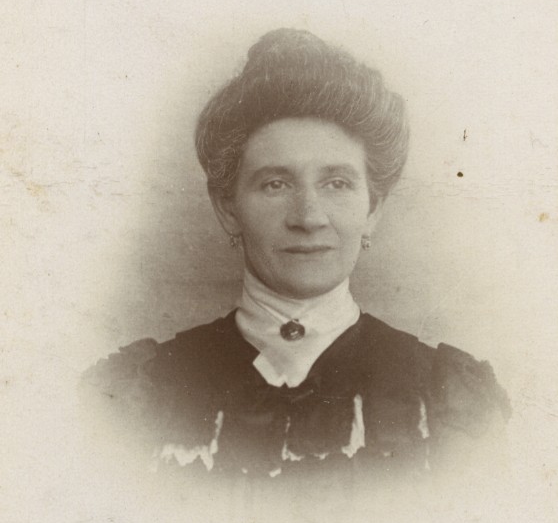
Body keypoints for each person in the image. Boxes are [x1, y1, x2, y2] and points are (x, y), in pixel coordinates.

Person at [81, 28, 511, 482]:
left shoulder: (447, 399)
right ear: (228, 208)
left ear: (373, 209)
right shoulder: (136, 395)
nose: (308, 217)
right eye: (275, 184)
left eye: (337, 183)